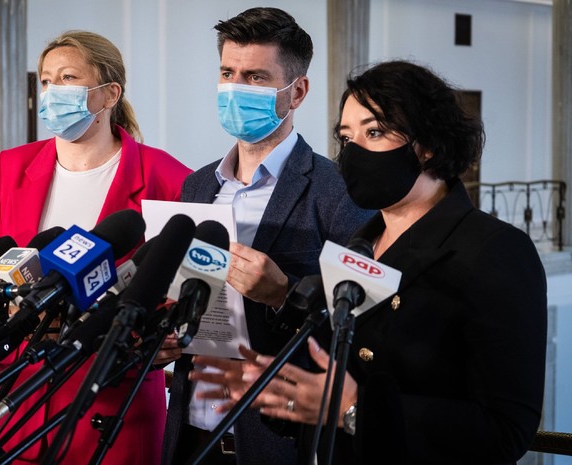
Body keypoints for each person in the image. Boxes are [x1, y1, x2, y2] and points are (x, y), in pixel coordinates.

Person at [191, 60, 547, 465]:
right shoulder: (359, 244)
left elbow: (505, 431)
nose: (354, 150)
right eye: (346, 137)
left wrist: (354, 409)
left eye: (374, 132)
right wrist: (288, 395)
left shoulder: (495, 249)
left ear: (428, 144)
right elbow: (335, 377)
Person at [158, 8, 373, 465]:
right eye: (228, 74)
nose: (236, 88)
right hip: (190, 433)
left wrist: (281, 295)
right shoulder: (197, 186)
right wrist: (165, 339)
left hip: (275, 443)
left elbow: (365, 330)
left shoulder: (338, 192)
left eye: (256, 77)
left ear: (297, 91)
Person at [0, 30, 191, 465]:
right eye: (46, 80)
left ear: (110, 93)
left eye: (68, 78)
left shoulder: (167, 175)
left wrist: (169, 337)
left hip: (114, 401)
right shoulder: (12, 166)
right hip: (19, 393)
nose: (52, 91)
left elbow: (185, 290)